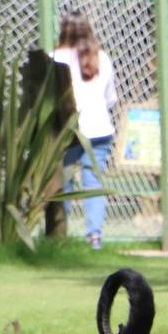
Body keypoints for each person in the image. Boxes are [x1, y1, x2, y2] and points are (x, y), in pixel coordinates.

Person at [53, 14, 119, 250]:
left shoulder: (55, 58)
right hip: (100, 129)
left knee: (64, 184)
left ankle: (60, 236)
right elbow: (111, 99)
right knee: (94, 183)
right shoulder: (102, 58)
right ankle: (95, 236)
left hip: (68, 131)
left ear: (63, 31)